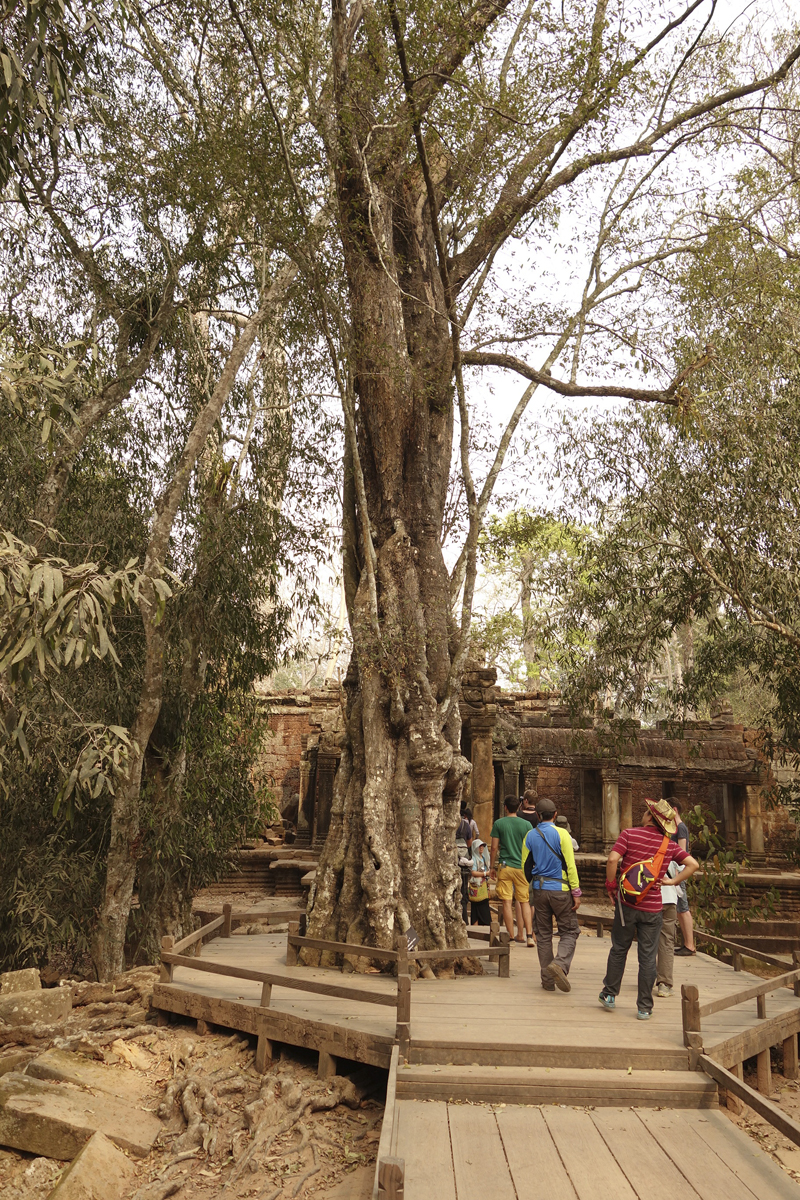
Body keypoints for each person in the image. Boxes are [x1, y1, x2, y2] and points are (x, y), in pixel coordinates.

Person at [599, 798, 699, 1020]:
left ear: (648, 817)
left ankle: (609, 994)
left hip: (627, 905)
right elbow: (693, 865)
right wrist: (673, 882)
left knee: (619, 948)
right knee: (647, 956)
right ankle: (644, 1007)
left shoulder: (629, 834)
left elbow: (612, 859)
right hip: (653, 908)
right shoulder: (669, 845)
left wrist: (611, 885)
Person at [522, 798, 581, 992]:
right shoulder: (562, 834)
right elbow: (570, 866)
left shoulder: (530, 836)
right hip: (561, 889)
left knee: (544, 934)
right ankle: (560, 963)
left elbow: (526, 867)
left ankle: (547, 980)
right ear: (555, 815)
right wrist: (576, 891)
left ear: (537, 816)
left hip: (539, 889)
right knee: (569, 931)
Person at [490, 797, 534, 948]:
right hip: (521, 867)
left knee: (507, 902)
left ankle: (511, 938)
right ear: (519, 807)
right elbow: (531, 846)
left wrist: (491, 867)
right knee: (524, 901)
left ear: (505, 808)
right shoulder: (527, 824)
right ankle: (529, 936)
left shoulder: (499, 823)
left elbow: (494, 847)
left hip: (505, 866)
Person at [672, 800, 696, 956]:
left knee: (683, 908)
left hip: (678, 869)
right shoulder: (675, 828)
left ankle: (690, 945)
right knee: (680, 909)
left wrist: (677, 873)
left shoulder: (681, 828)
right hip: (675, 870)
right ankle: (686, 943)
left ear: (674, 810)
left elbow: (682, 852)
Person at [655, 859, 679, 998]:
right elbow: (686, 868)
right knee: (666, 941)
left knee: (648, 938)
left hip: (650, 898)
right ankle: (664, 984)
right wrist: (671, 881)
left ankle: (647, 977)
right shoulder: (671, 847)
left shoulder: (643, 843)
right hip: (669, 897)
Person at [468, 836, 492, 926]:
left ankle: (485, 925)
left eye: (482, 846)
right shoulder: (474, 859)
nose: (481, 848)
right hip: (476, 886)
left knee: (484, 906)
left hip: (483, 886)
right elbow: (473, 872)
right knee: (475, 908)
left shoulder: (484, 858)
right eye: (479, 846)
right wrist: (485, 874)